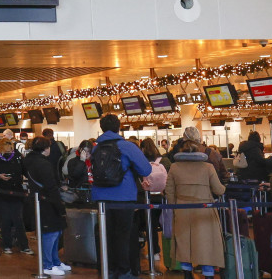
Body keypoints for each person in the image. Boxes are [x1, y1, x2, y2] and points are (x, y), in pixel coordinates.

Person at [91, 113, 152, 279]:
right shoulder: (126, 146)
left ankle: (108, 270)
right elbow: (146, 170)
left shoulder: (96, 147)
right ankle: (124, 271)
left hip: (101, 197)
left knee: (106, 234)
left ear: (102, 128)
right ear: (119, 127)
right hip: (124, 196)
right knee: (123, 235)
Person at [165, 140, 226, 279]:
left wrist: (175, 206)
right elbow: (219, 189)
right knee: (207, 244)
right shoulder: (207, 167)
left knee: (184, 243)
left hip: (181, 209)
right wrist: (224, 188)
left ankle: (187, 273)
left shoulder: (174, 167)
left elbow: (169, 191)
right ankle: (208, 274)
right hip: (204, 210)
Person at [24, 136, 69, 276]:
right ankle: (48, 264)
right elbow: (50, 186)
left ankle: (54, 261)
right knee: (51, 233)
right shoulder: (43, 164)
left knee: (55, 232)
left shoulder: (29, 161)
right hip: (47, 201)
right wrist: (59, 204)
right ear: (45, 149)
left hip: (40, 200)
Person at [0, 138, 32, 255]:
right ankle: (6, 245)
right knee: (5, 219)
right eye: (6, 150)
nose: (9, 152)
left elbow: (25, 171)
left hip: (16, 192)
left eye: (10, 150)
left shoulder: (17, 157)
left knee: (18, 219)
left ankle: (24, 245)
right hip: (1, 193)